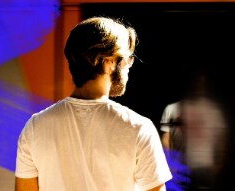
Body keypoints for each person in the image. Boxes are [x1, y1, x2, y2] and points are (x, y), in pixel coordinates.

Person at [15, 16, 172, 191]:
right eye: (129, 58)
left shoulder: (35, 127)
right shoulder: (138, 128)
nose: (129, 65)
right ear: (110, 61)